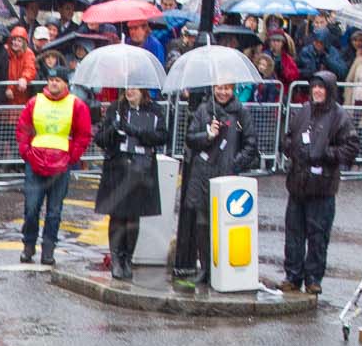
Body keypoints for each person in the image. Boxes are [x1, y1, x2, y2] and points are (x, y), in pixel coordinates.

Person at [280, 70, 360, 296]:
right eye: (314, 86)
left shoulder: (339, 116)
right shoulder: (303, 112)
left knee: (318, 235)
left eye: (321, 87)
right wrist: (290, 147)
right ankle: (292, 275)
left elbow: (351, 147)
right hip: (298, 183)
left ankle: (313, 277)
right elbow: (288, 136)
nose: (317, 91)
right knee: (294, 233)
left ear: (329, 90)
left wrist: (326, 153)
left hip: (322, 187)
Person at [172, 82, 255, 289]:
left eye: (227, 88)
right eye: (219, 88)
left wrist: (235, 164)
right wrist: (208, 135)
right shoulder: (203, 110)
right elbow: (190, 138)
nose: (223, 92)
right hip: (203, 174)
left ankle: (223, 268)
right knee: (202, 224)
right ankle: (205, 268)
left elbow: (250, 143)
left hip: (227, 177)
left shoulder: (240, 114)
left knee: (226, 226)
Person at [13, 66, 93, 267]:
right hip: (36, 163)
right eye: (51, 79)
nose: (54, 83)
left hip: (60, 167)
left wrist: (71, 157)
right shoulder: (35, 102)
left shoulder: (76, 105)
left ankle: (48, 250)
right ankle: (28, 245)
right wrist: (27, 152)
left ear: (65, 83)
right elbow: (23, 128)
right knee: (31, 209)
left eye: (58, 80)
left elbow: (83, 135)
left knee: (54, 212)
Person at [97, 86, 167, 281]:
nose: (130, 92)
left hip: (142, 169)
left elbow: (162, 137)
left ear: (142, 91)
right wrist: (113, 130)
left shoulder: (154, 110)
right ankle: (117, 260)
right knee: (117, 215)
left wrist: (137, 132)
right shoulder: (115, 108)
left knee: (134, 217)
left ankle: (128, 258)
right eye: (128, 88)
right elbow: (100, 139)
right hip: (117, 168)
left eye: (134, 88)